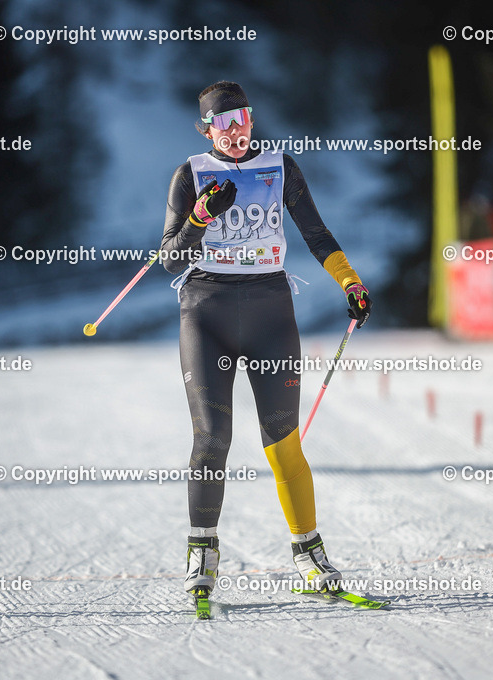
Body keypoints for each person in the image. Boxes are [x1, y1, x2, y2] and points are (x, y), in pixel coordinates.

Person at [159, 81, 373, 602]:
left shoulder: (281, 166)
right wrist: (200, 218)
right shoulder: (191, 174)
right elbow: (168, 257)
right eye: (222, 123)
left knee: (283, 443)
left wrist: (349, 281)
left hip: (270, 312)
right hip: (206, 313)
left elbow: (316, 234)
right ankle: (202, 553)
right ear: (207, 128)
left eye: (242, 119)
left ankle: (310, 555)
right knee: (212, 440)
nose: (234, 131)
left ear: (253, 120)